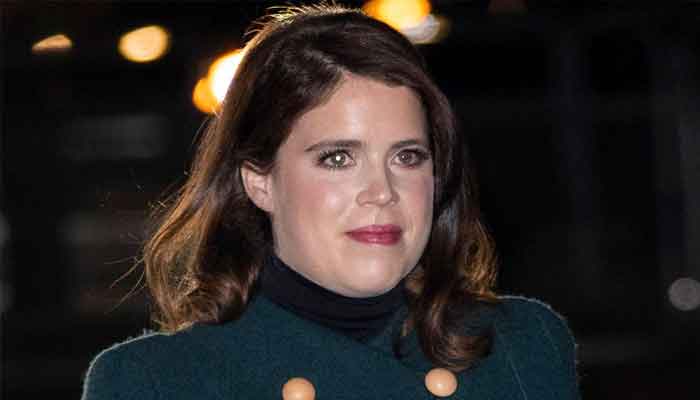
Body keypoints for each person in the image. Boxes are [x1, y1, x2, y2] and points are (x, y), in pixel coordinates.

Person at [81, 3, 581, 400]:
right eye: (338, 158)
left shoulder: (523, 345)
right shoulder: (156, 383)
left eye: (407, 157)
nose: (382, 191)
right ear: (259, 181)